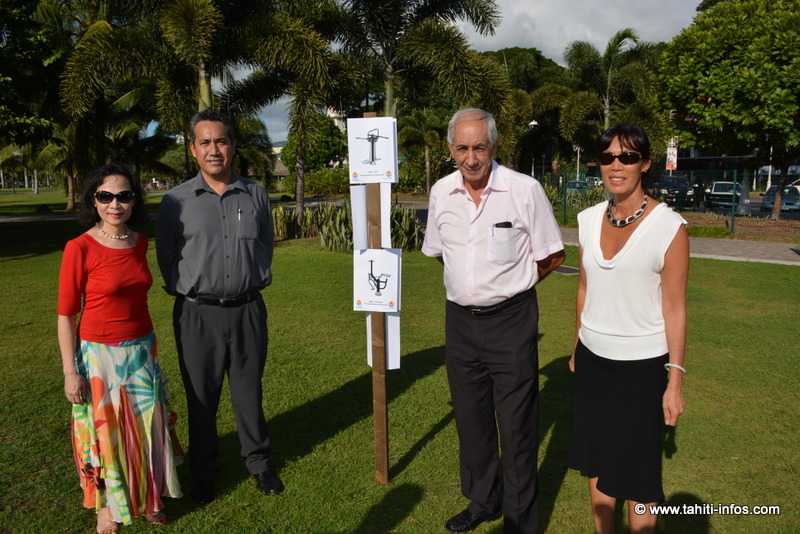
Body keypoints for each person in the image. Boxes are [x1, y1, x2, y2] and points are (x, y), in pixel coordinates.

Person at [422, 108, 565, 534]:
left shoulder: (523, 190)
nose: (471, 158)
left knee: (518, 429)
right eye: (463, 148)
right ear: (451, 149)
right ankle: (483, 501)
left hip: (511, 322)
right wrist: (473, 286)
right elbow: (441, 253)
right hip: (460, 323)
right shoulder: (441, 192)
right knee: (471, 420)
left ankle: (520, 523)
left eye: (480, 147)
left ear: (495, 146)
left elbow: (552, 255)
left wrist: (511, 284)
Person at [156, 108, 282, 506]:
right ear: (193, 149)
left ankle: (259, 463)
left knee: (249, 394)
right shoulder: (175, 201)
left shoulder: (255, 194)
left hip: (248, 310)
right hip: (197, 315)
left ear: (233, 146)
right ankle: (204, 472)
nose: (214, 150)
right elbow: (167, 256)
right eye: (205, 142)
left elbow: (264, 246)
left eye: (221, 141)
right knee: (201, 398)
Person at [568, 123, 689, 534]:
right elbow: (585, 288)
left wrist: (675, 380)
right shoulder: (587, 220)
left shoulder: (669, 227)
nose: (616, 165)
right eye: (607, 157)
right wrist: (576, 344)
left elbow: (675, 308)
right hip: (592, 360)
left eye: (628, 157)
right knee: (595, 461)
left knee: (638, 473)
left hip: (641, 368)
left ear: (646, 163)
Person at [57, 163, 182, 534]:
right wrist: (70, 371)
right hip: (99, 355)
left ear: (134, 200)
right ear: (93, 201)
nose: (115, 204)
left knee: (146, 427)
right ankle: (107, 506)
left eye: (124, 196)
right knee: (106, 434)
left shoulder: (139, 242)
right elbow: (66, 315)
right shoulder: (79, 247)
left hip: (141, 349)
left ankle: (148, 497)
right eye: (106, 196)